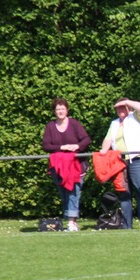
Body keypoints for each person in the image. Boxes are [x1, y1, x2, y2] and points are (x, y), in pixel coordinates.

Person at [99, 97, 140, 228]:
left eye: (122, 107)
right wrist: (103, 151)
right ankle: (127, 226)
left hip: (137, 159)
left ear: (128, 107)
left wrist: (127, 102)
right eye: (118, 108)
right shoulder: (114, 123)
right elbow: (107, 140)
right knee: (124, 193)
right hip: (120, 161)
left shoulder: (135, 117)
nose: (120, 110)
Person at [41, 98, 91, 232]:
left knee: (74, 192)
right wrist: (62, 147)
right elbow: (46, 145)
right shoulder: (50, 126)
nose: (60, 111)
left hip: (76, 165)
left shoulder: (75, 124)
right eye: (58, 109)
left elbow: (86, 139)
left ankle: (71, 222)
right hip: (58, 167)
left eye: (62, 109)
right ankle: (70, 219)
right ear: (54, 111)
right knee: (64, 194)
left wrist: (77, 146)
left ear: (67, 110)